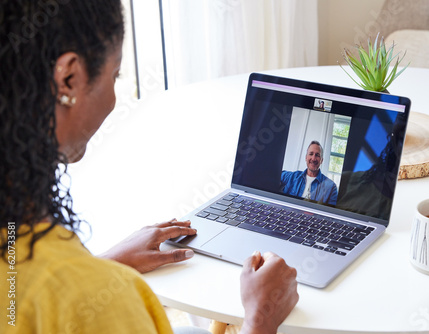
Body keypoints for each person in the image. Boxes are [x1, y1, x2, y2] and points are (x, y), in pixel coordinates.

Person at [0, 1, 298, 334]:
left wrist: (102, 264)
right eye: (115, 74)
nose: (114, 98)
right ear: (68, 79)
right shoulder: (103, 307)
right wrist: (260, 318)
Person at [281, 140, 338, 206]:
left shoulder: (331, 187)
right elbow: (272, 174)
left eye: (317, 155)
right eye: (311, 154)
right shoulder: (292, 177)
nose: (313, 159)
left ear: (321, 160)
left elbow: (331, 212)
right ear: (306, 157)